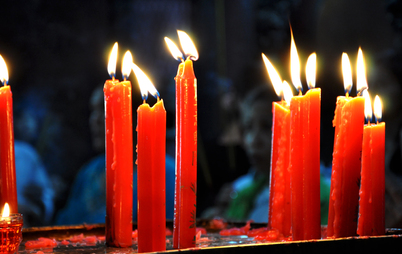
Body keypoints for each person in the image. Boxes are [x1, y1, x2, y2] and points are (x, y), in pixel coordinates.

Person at [201, 84, 331, 224]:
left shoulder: (320, 197)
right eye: (249, 127)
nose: (254, 140)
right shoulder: (241, 191)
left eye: (267, 127)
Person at [54, 85, 176, 225]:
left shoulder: (163, 174)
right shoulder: (89, 172)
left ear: (135, 118)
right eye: (93, 111)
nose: (95, 120)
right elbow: (65, 226)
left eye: (105, 110)